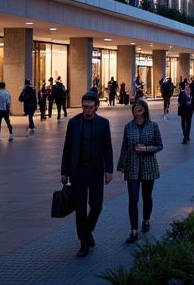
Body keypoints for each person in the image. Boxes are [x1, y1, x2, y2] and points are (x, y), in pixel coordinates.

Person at [60, 92, 113, 258]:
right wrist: (64, 171)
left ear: (96, 107)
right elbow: (67, 148)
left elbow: (108, 148)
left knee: (96, 206)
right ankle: (83, 243)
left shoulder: (103, 123)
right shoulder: (74, 123)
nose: (87, 110)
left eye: (90, 107)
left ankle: (86, 232)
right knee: (80, 208)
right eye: (84, 106)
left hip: (96, 171)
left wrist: (109, 170)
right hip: (78, 171)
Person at [116, 97, 163, 244]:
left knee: (147, 196)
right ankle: (133, 230)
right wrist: (121, 167)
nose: (136, 112)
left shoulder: (153, 126)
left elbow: (159, 145)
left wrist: (146, 149)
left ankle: (146, 220)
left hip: (148, 166)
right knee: (133, 198)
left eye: (139, 109)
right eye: (134, 109)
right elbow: (124, 147)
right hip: (133, 166)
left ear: (144, 110)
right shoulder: (128, 127)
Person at [176, 78, 194, 143]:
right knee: (184, 122)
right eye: (187, 85)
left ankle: (186, 135)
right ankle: (185, 135)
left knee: (187, 122)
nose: (188, 86)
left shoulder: (191, 93)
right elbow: (180, 101)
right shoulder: (182, 93)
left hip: (187, 110)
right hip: (184, 110)